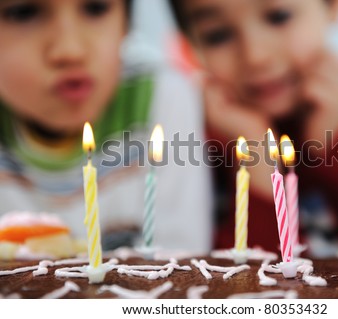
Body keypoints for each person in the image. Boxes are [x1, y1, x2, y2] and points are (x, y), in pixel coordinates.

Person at [167, 0, 338, 253]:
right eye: (218, 35)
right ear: (191, 47)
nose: (256, 56)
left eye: (279, 16)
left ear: (334, 5)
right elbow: (241, 289)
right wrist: (257, 153)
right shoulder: (203, 133)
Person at [0, 0, 212, 253]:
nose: (70, 50)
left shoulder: (161, 97)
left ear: (127, 26)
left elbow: (181, 255)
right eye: (23, 13)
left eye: (96, 8)